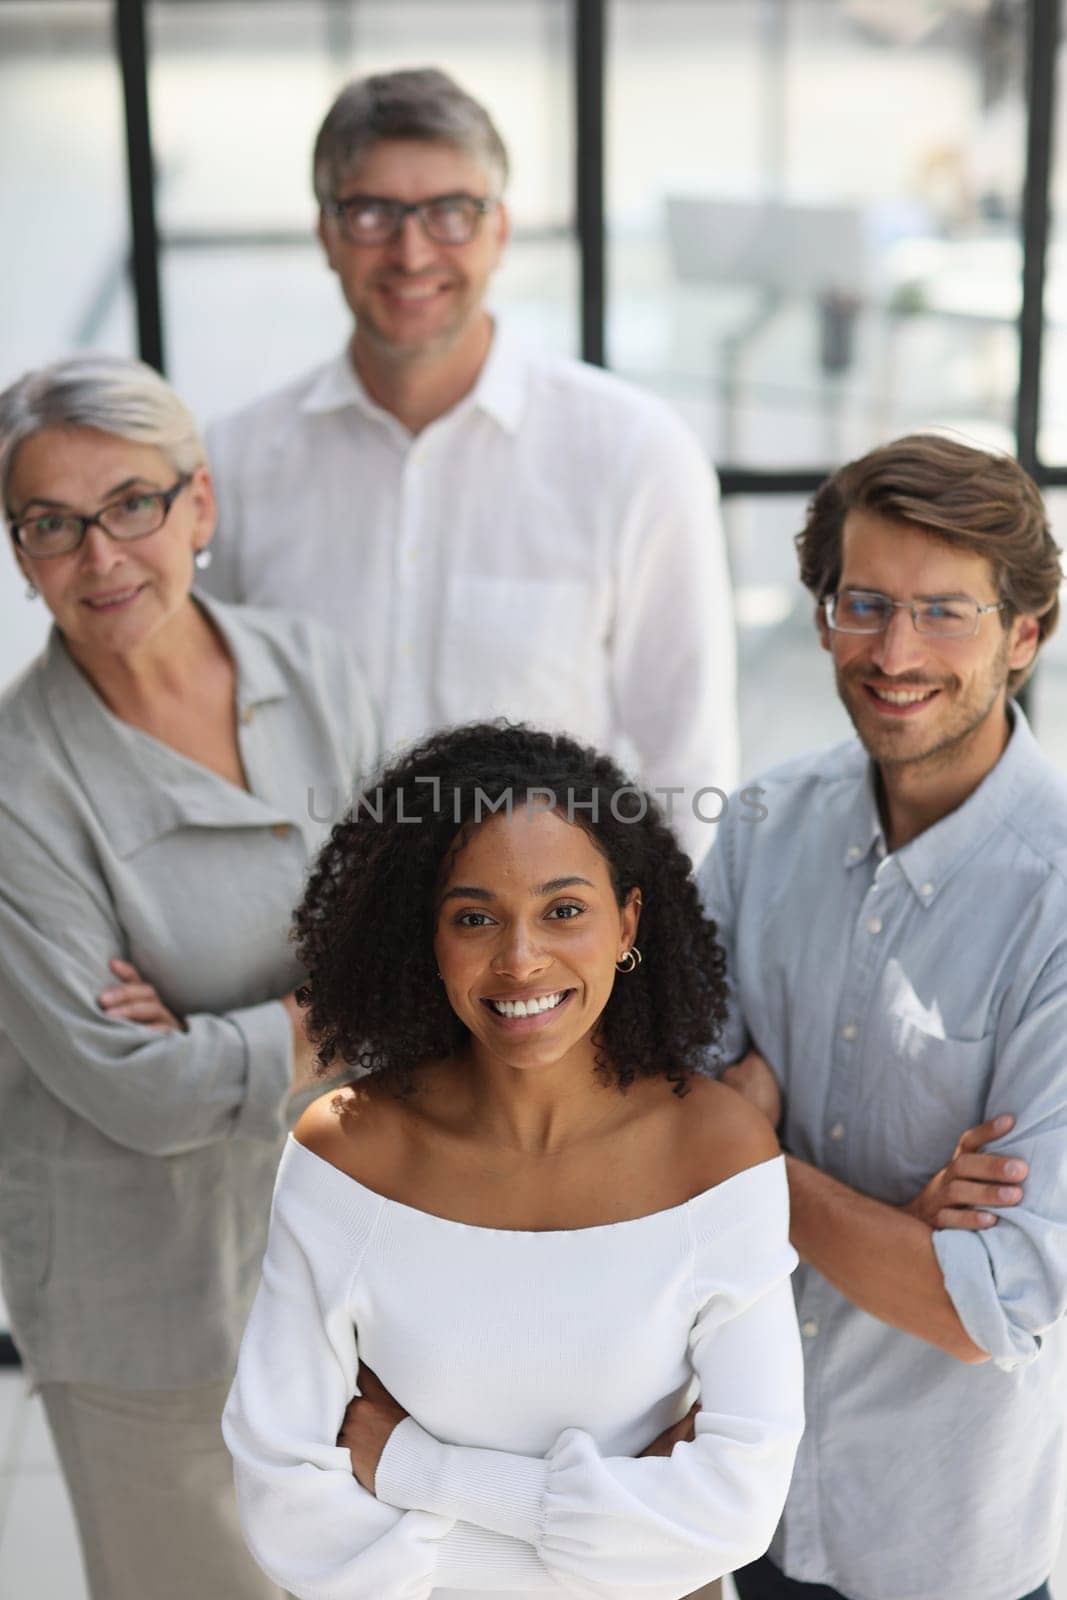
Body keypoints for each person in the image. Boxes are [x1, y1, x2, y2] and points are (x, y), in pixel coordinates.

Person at [223, 722, 804, 1599]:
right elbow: (283, 1505)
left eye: (563, 910)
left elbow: (736, 1510)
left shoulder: (715, 1156)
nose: (520, 957)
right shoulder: (346, 1155)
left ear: (626, 922)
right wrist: (618, 1549)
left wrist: (418, 1471)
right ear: (426, 935)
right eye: (474, 918)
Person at [0, 353, 378, 1600]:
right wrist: (348, 1006)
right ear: (19, 550)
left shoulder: (314, 669)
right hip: (146, 1299)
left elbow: (429, 931)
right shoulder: (16, 778)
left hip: (354, 1261)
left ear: (198, 505)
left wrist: (223, 1031)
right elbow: (139, 1090)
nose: (99, 557)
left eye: (131, 505)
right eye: (49, 525)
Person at [699, 433, 1067, 1600]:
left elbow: (986, 1306)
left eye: (941, 613)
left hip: (945, 1542)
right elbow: (647, 1139)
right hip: (741, 1497)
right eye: (863, 604)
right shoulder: (759, 827)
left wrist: (750, 1159)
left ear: (1025, 633)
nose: (893, 653)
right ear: (820, 616)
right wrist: (888, 1224)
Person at [203, 66, 737, 865]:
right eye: (373, 212)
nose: (411, 252)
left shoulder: (634, 455)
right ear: (326, 233)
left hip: (553, 969)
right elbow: (195, 739)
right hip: (298, 969)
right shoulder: (236, 463)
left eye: (451, 212)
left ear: (499, 230)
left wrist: (651, 976)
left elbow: (687, 767)